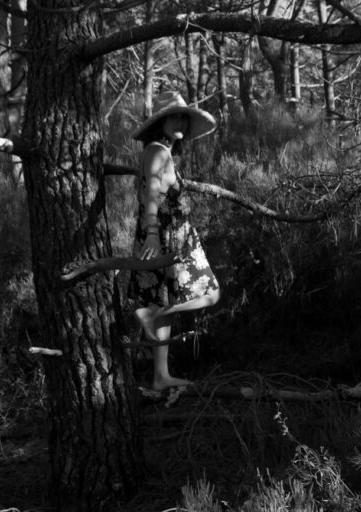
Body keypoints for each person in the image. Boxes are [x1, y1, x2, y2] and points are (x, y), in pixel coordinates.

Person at [127, 91, 220, 390]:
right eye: (174, 116)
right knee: (211, 293)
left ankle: (160, 375)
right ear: (161, 122)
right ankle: (154, 316)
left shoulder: (156, 151)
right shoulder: (158, 151)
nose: (180, 121)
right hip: (168, 237)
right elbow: (150, 194)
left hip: (167, 234)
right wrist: (154, 233)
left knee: (160, 301)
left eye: (183, 117)